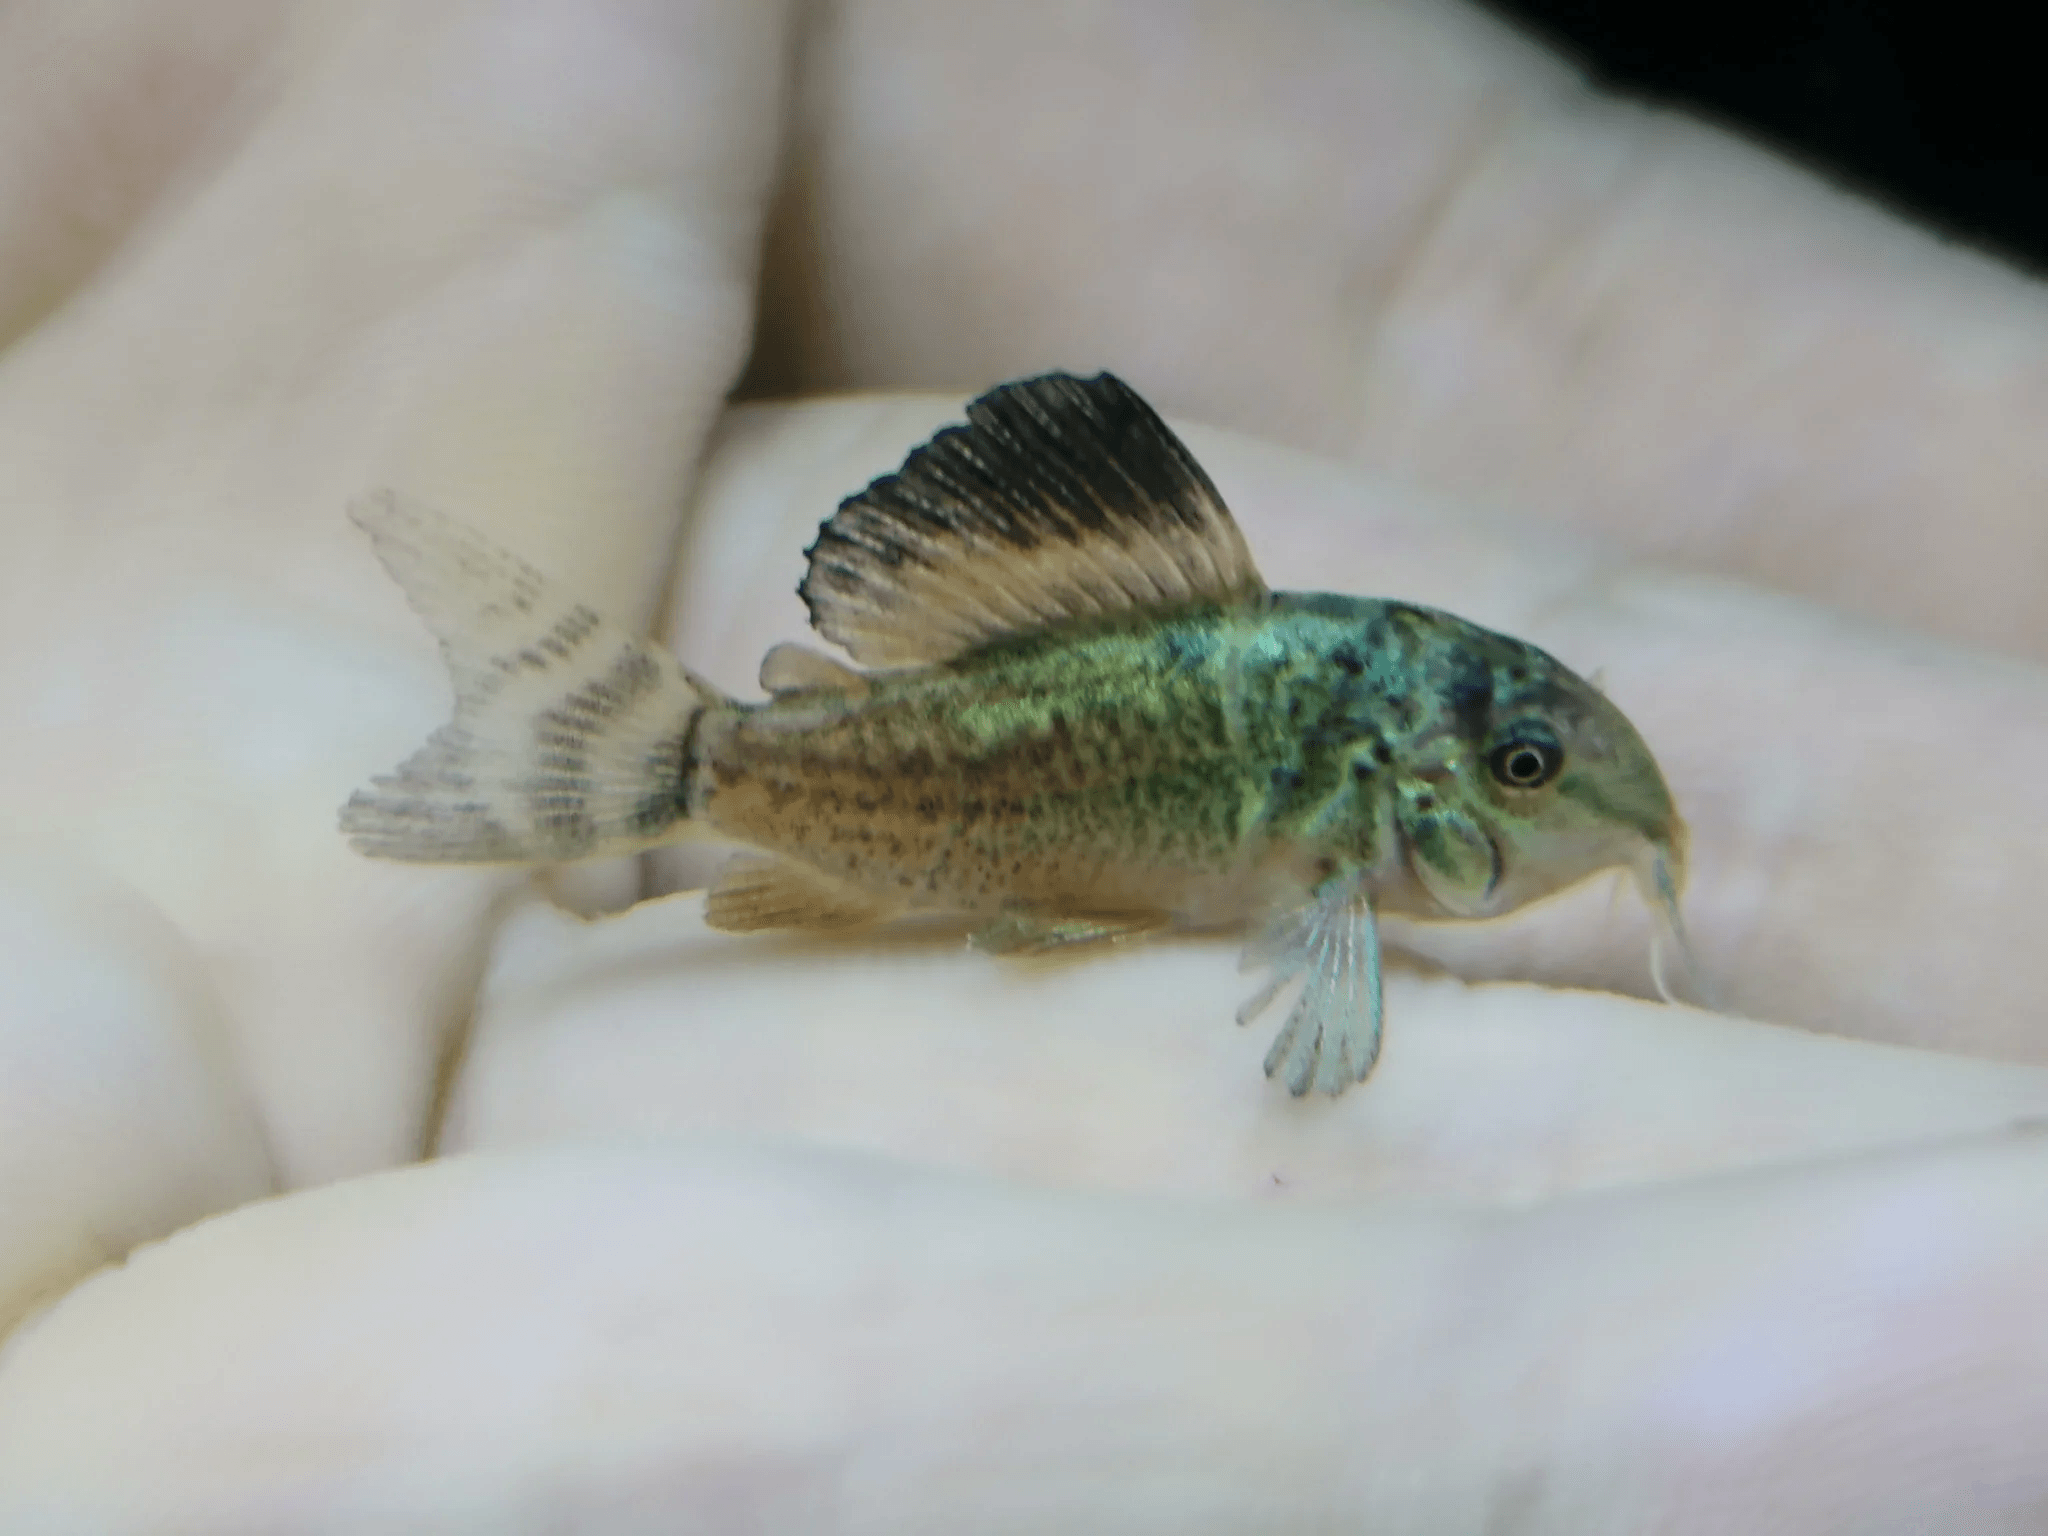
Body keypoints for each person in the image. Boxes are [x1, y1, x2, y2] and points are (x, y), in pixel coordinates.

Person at [2, 1, 2045, 1527]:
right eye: (1519, 767)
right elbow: (1308, 1023)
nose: (1548, 805)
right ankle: (622, 758)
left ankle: (629, 755)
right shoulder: (1328, 821)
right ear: (1402, 792)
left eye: (1529, 767)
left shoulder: (1347, 764)